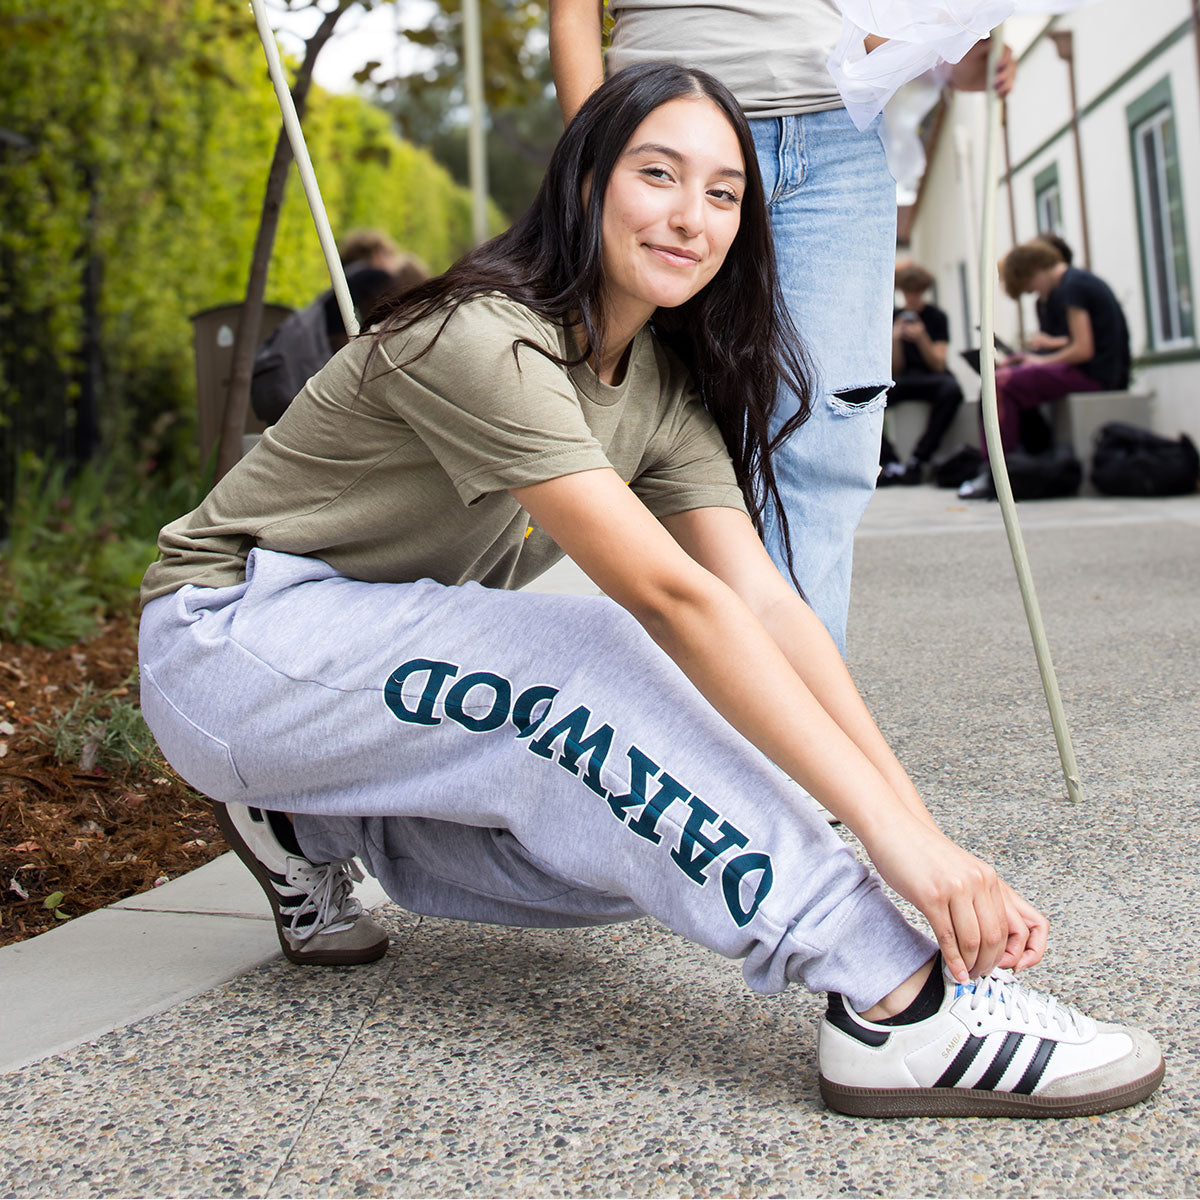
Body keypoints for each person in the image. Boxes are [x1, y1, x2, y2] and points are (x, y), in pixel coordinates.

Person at [139, 65, 1161, 1118]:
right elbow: (675, 602)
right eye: (658, 174)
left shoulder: (662, 388)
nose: (691, 217)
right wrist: (894, 862)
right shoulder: (480, 337)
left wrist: (918, 830)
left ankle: (302, 826)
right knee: (596, 659)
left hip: (365, 683)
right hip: (228, 644)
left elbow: (764, 605)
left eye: (724, 193)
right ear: (586, 183)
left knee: (659, 824)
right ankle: (899, 1002)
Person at [549, 0, 1014, 655]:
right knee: (676, 436)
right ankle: (672, 699)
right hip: (668, 127)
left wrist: (946, 55)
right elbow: (572, 12)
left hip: (838, 136)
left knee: (829, 436)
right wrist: (593, 161)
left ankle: (797, 704)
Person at [959, 238, 1131, 498]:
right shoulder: (1072, 284)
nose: (1033, 292)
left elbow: (1083, 349)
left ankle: (998, 472)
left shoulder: (1073, 287)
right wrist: (1028, 358)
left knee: (1001, 383)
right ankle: (1013, 462)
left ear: (1034, 270)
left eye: (1030, 286)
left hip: (1094, 375)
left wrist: (1038, 362)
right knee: (1005, 379)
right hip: (1087, 371)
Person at [250, 230, 429, 423]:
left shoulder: (349, 280)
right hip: (298, 384)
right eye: (391, 254)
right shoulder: (375, 277)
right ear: (379, 253)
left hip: (276, 381)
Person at [879, 262, 964, 485]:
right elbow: (895, 369)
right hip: (902, 379)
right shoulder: (892, 318)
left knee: (952, 390)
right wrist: (896, 339)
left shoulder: (937, 317)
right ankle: (890, 462)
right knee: (867, 398)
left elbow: (938, 364)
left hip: (931, 378)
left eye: (916, 292)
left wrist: (922, 337)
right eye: (908, 292)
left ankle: (920, 458)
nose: (912, 297)